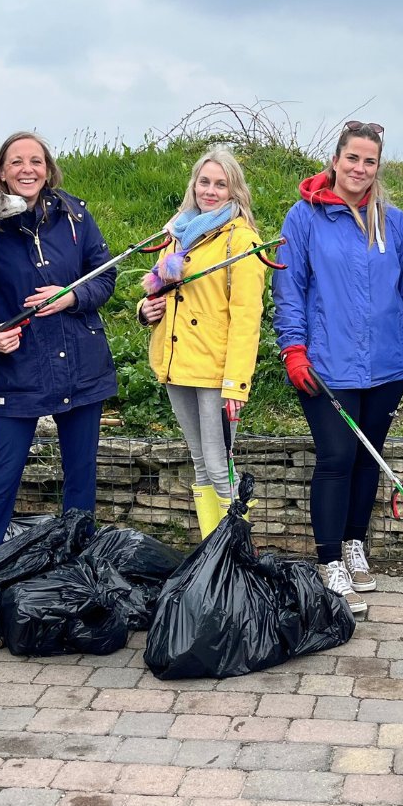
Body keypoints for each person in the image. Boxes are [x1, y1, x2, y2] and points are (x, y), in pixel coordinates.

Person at [272, 121, 403, 615]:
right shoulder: (303, 218)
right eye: (352, 159)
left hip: (387, 363)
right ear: (336, 159)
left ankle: (354, 544)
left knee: (369, 458)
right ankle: (329, 562)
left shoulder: (395, 222)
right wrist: (293, 349)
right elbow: (289, 289)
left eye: (369, 161)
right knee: (337, 458)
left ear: (378, 166)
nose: (359, 169)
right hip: (327, 364)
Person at [0, 132, 117, 565]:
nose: (27, 169)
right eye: (16, 162)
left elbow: (104, 277)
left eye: (36, 161)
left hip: (81, 363)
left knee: (81, 476)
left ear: (48, 169)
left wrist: (72, 297)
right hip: (19, 367)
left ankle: (77, 567)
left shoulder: (75, 216)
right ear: (2, 172)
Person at [138, 147, 266, 538]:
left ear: (234, 191)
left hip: (216, 369)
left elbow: (247, 317)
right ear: (194, 184)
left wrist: (236, 384)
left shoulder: (240, 241)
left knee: (218, 463)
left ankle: (237, 555)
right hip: (178, 361)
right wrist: (145, 311)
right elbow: (161, 294)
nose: (210, 190)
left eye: (220, 184)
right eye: (204, 181)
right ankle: (213, 551)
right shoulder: (177, 233)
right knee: (198, 460)